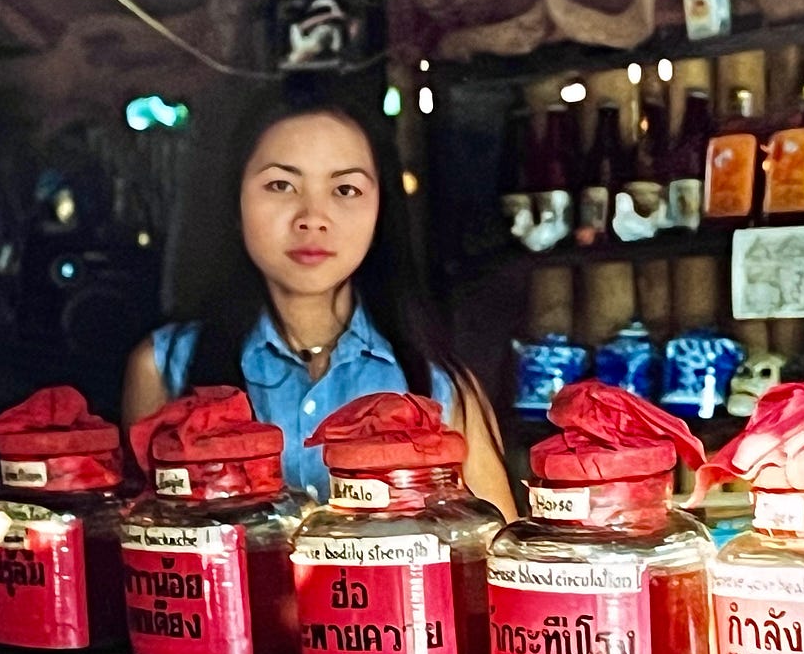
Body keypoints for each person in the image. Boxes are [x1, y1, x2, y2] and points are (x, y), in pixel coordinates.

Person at [122, 91, 515, 518]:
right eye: (280, 185)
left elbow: (494, 560)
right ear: (235, 202)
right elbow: (145, 548)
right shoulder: (166, 368)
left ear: (381, 209)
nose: (312, 216)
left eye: (345, 189)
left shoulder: (440, 385)